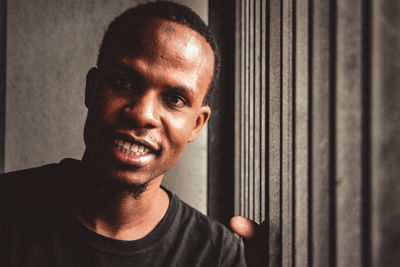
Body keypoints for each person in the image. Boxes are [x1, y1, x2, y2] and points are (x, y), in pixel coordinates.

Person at [0, 1, 267, 266]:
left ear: (197, 124)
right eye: (124, 83)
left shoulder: (217, 255)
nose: (142, 114)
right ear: (91, 89)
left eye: (174, 99)